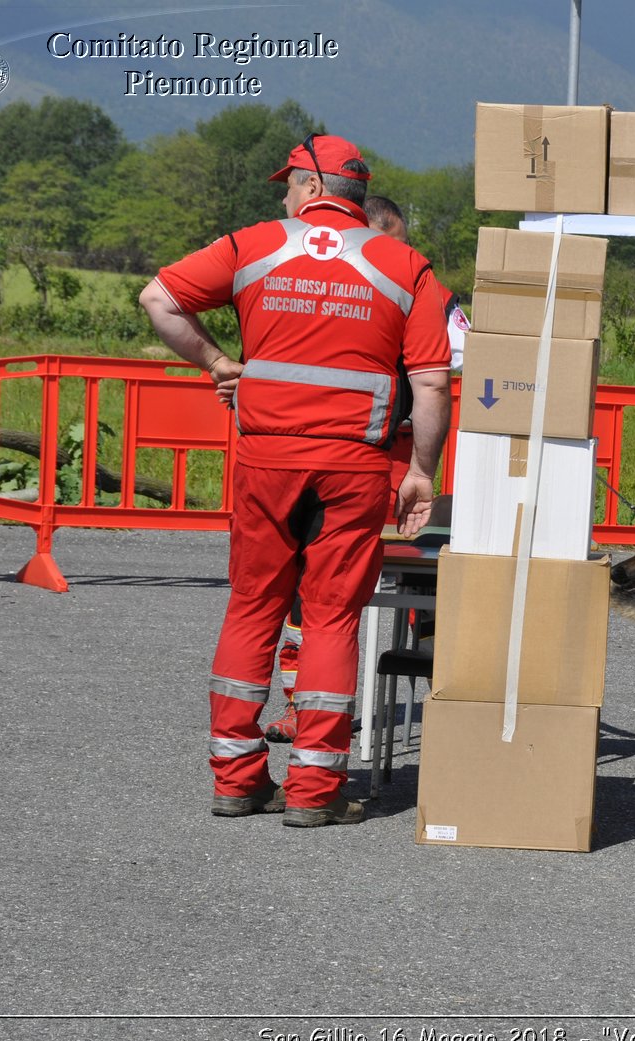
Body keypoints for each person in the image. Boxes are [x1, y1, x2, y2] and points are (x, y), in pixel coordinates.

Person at [139, 134, 452, 827]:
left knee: (253, 604)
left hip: (266, 459)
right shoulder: (407, 266)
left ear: (311, 189)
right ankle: (315, 791)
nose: (284, 193)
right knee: (333, 616)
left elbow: (157, 297)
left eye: (289, 183)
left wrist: (219, 363)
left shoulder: (253, 245)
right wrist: (421, 472)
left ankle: (236, 778)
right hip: (355, 464)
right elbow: (431, 381)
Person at [263, 193, 467, 743]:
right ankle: (299, 709)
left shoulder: (430, 291)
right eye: (393, 245)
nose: (402, 258)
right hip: (329, 453)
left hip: (398, 457)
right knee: (312, 592)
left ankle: (439, 694)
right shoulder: (311, 278)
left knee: (416, 581)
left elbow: (461, 356)